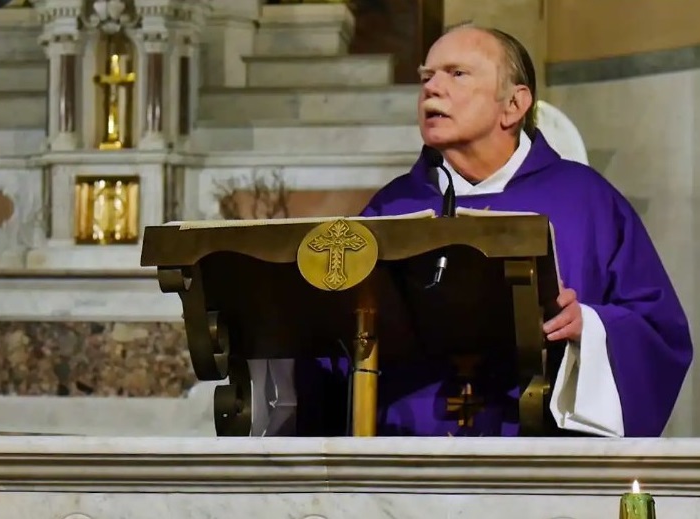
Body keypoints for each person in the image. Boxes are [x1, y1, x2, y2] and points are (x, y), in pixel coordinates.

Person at [293, 25, 693, 437]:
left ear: (514, 104)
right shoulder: (391, 209)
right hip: (408, 466)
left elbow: (659, 335)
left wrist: (587, 328)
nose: (432, 88)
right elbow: (333, 346)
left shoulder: (586, 201)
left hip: (540, 463)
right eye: (426, 76)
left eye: (456, 74)